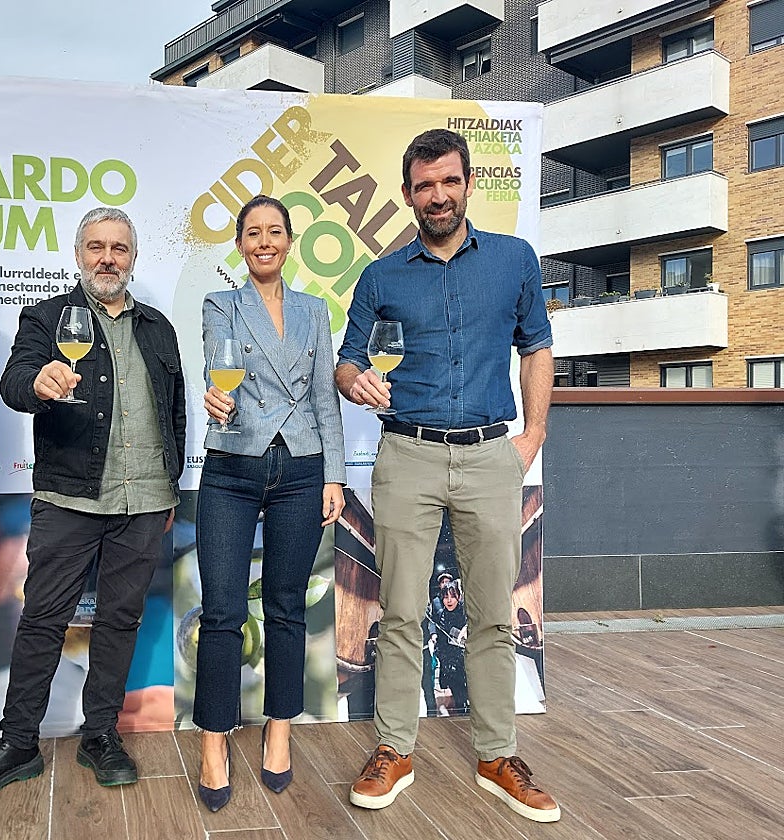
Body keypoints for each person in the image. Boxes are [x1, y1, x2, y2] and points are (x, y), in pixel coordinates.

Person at [336, 128, 559, 822]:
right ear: (408, 195)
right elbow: (346, 360)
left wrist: (532, 438)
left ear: (468, 185)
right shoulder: (381, 276)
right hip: (407, 455)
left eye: (449, 181)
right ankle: (394, 749)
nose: (438, 195)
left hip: (493, 454)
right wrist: (356, 382)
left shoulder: (514, 260)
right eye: (424, 185)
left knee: (494, 614)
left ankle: (498, 754)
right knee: (400, 612)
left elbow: (538, 349)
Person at [0, 207, 186, 800]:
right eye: (96, 247)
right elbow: (15, 381)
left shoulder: (158, 327)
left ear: (133, 258)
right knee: (44, 620)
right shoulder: (48, 317)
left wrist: (172, 481)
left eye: (119, 249)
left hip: (146, 499)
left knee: (119, 619)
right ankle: (18, 742)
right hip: (69, 498)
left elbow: (175, 407)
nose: (108, 258)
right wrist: (41, 382)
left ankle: (99, 734)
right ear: (78, 254)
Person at [192, 195, 346, 811]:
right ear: (239, 245)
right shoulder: (220, 304)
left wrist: (334, 474)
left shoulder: (315, 311)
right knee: (223, 609)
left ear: (290, 241)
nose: (264, 241)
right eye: (252, 232)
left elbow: (323, 400)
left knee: (285, 607)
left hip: (302, 469)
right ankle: (213, 738)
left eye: (274, 231)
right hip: (232, 464)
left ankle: (279, 730)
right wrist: (215, 398)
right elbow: (216, 367)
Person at [431, 582, 468, 713]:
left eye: (452, 596)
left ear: (458, 596)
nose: (449, 600)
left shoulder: (466, 612)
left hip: (468, 661)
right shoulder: (442, 615)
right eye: (446, 597)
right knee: (459, 696)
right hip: (451, 665)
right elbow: (441, 642)